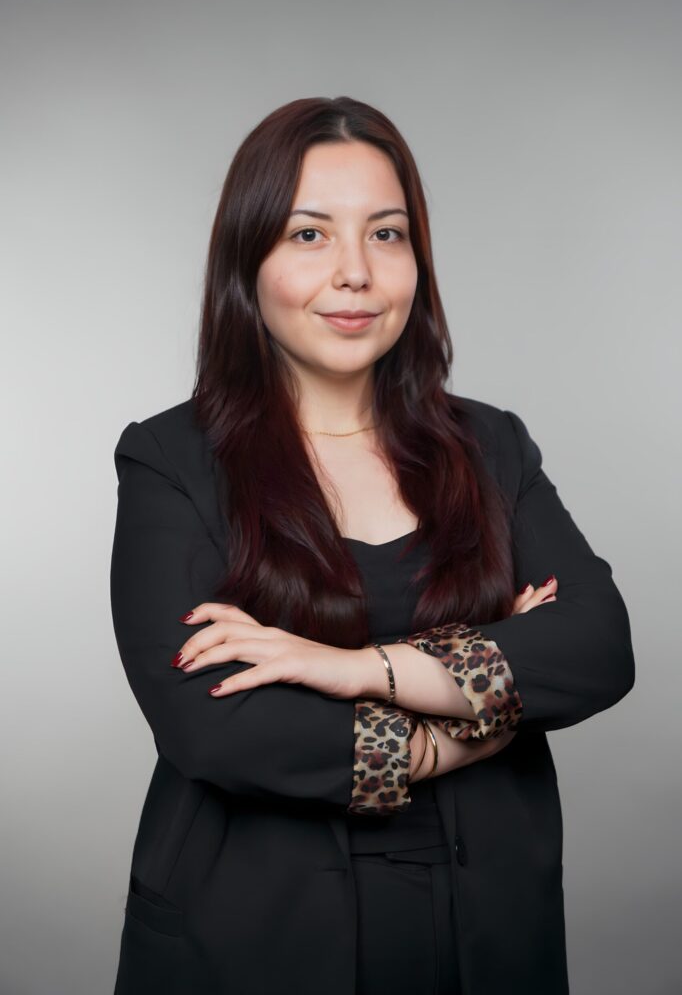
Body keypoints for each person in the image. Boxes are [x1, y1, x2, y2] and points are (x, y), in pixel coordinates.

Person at [109, 96, 635, 995]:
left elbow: (596, 647)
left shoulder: (492, 445)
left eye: (386, 234)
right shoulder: (171, 459)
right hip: (253, 936)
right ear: (247, 259)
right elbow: (217, 725)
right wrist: (460, 731)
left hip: (487, 922)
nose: (354, 272)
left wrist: (352, 668)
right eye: (309, 234)